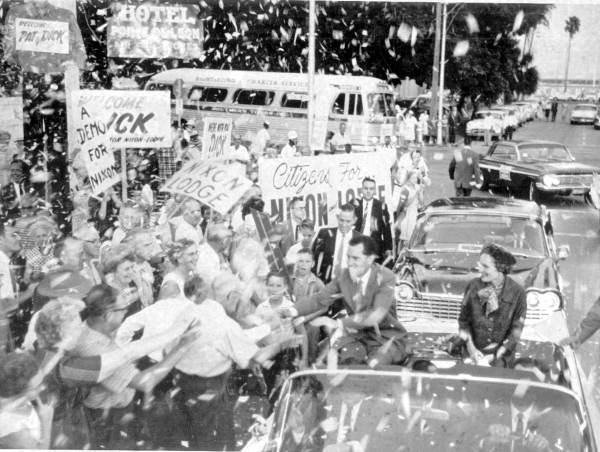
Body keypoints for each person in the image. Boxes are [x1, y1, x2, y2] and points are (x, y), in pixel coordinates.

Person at [74, 284, 200, 449]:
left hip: (117, 408)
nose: (126, 311)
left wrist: (174, 332)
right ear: (108, 315)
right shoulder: (95, 349)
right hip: (108, 417)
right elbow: (145, 382)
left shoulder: (95, 326)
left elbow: (132, 350)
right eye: (123, 309)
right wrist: (181, 347)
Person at [294, 236, 406, 366]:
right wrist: (291, 310)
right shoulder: (344, 275)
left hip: (385, 338)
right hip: (357, 337)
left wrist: (338, 323)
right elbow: (319, 299)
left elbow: (375, 314)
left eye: (355, 258)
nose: (349, 262)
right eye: (348, 257)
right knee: (347, 364)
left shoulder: (386, 276)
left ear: (370, 259)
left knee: (373, 369)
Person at [458, 244, 526, 367]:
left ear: (500, 268)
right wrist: (471, 349)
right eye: (480, 265)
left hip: (501, 357)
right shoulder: (473, 287)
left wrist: (496, 356)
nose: (480, 270)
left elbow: (515, 333)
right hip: (472, 354)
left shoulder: (517, 293)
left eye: (486, 266)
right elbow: (463, 322)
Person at [0, 352, 55, 449]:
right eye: (37, 387)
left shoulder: (8, 396)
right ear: (19, 393)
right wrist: (46, 421)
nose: (43, 387)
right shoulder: (17, 432)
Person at [312, 203, 362, 283]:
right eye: (341, 220)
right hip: (327, 286)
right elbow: (312, 258)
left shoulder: (360, 239)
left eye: (348, 221)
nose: (344, 224)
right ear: (338, 218)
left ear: (354, 220)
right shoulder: (325, 234)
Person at [353, 177, 393, 263]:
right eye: (366, 188)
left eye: (371, 189)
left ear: (374, 190)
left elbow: (386, 230)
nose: (368, 191)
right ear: (361, 189)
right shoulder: (354, 205)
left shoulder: (381, 206)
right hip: (357, 246)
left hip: (373, 248)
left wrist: (388, 249)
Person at [195, 223, 232, 287]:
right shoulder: (208, 257)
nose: (229, 244)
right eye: (229, 241)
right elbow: (215, 282)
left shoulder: (209, 249)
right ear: (223, 242)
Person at [394, 169, 422, 250]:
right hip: (406, 216)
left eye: (416, 178)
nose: (415, 180)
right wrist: (415, 193)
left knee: (412, 238)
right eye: (413, 178)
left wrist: (421, 193)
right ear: (409, 178)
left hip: (414, 214)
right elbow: (404, 204)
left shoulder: (417, 187)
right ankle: (399, 254)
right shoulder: (405, 189)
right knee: (403, 239)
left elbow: (421, 202)